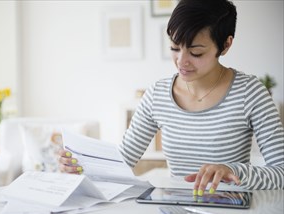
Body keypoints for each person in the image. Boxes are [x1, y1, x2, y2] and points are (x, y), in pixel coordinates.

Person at [58, 0, 284, 195]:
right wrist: (81, 166)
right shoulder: (157, 94)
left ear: (225, 45)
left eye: (196, 52)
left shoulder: (250, 93)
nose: (181, 62)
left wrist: (233, 171)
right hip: (176, 209)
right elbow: (122, 161)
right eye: (175, 48)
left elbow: (281, 172)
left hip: (229, 209)